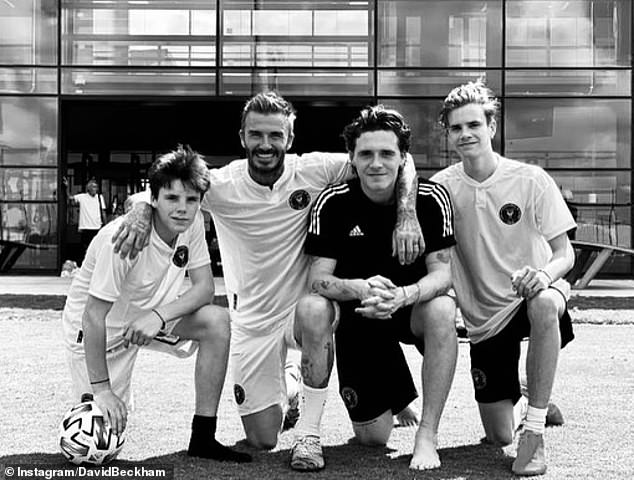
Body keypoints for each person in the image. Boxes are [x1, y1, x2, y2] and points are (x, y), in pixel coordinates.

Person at [110, 92, 424, 471]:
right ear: (242, 137)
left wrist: (407, 212)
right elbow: (152, 195)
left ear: (289, 140)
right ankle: (292, 382)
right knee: (263, 439)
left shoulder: (315, 169)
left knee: (315, 311)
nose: (265, 144)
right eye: (256, 134)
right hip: (252, 323)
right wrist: (141, 213)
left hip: (305, 313)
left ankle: (309, 433)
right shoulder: (219, 185)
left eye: (276, 135)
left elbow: (396, 163)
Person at [61, 145, 251, 463]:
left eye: (191, 200)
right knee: (99, 438)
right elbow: (93, 317)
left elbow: (204, 289)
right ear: (154, 199)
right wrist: (103, 389)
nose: (182, 208)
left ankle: (203, 437)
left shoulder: (190, 226)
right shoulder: (122, 239)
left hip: (149, 316)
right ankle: (97, 396)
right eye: (172, 198)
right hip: (100, 335)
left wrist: (158, 316)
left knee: (218, 321)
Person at [431, 80, 576, 476]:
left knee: (545, 302)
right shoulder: (442, 188)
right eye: (457, 128)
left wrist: (543, 275)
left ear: (491, 127)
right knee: (497, 436)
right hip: (484, 319)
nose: (466, 134)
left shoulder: (530, 179)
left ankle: (534, 431)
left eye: (474, 125)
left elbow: (565, 253)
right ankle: (530, 392)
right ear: (448, 133)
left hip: (531, 297)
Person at [302, 105, 457, 471]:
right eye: (366, 154)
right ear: (352, 159)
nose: (376, 163)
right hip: (361, 313)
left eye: (387, 153)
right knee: (373, 439)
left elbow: (443, 275)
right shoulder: (333, 201)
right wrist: (357, 287)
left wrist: (404, 295)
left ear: (403, 158)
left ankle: (427, 435)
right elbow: (317, 279)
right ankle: (396, 396)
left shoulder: (432, 199)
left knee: (443, 309)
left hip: (410, 308)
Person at [63, 177, 107, 263]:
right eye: (93, 187)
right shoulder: (82, 197)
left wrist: (105, 225)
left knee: (96, 249)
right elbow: (70, 198)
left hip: (97, 227)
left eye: (96, 187)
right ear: (88, 188)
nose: (95, 189)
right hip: (86, 227)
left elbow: (103, 212)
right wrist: (67, 187)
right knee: (85, 249)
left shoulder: (99, 197)